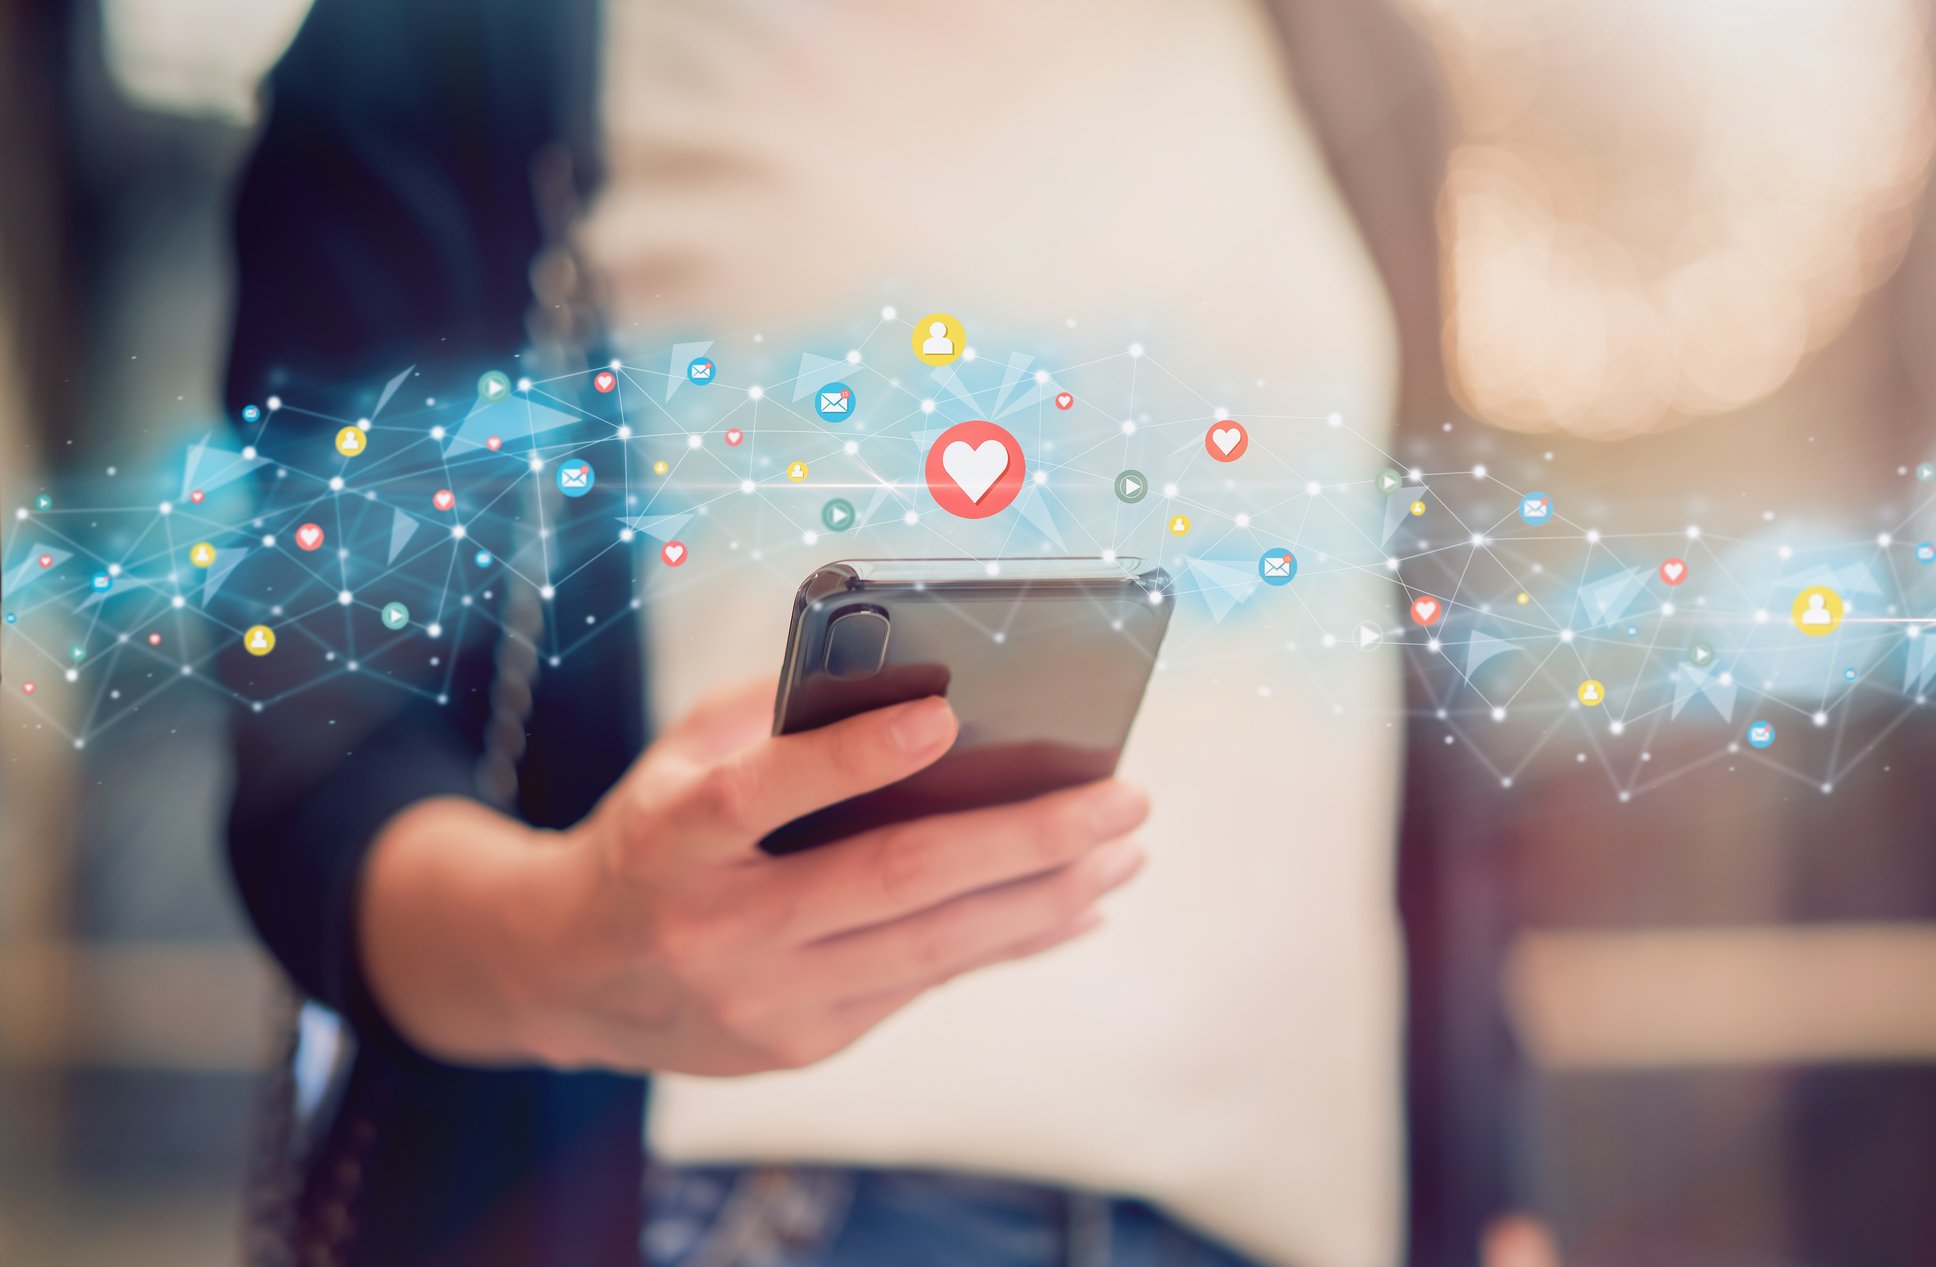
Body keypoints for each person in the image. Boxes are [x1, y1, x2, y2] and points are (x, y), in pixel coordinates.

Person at [222, 2, 1531, 1265]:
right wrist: (571, 944)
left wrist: (1498, 1207)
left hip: (1302, 1224)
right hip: (751, 1210)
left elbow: (1426, 730)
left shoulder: (1355, 51)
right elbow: (320, 771)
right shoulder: (453, 33)